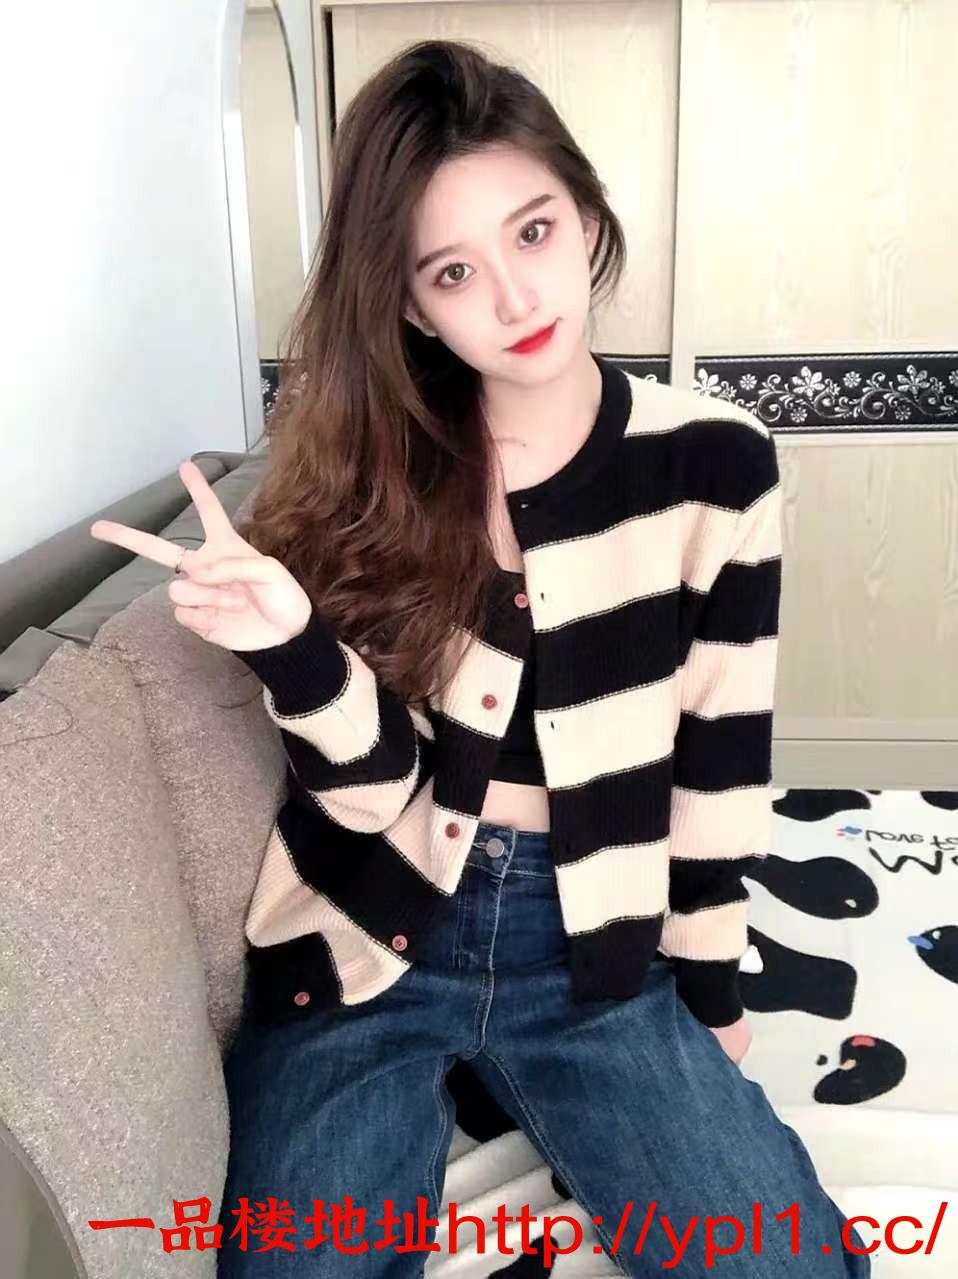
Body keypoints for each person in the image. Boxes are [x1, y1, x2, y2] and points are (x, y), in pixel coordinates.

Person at [91, 38, 872, 1279]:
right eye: (455, 271)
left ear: (585, 213)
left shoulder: (715, 464)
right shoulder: (363, 480)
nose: (515, 298)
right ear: (412, 306)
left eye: (534, 231)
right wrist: (292, 647)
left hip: (595, 946)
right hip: (371, 932)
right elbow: (365, 798)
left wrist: (709, 994)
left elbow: (718, 760)